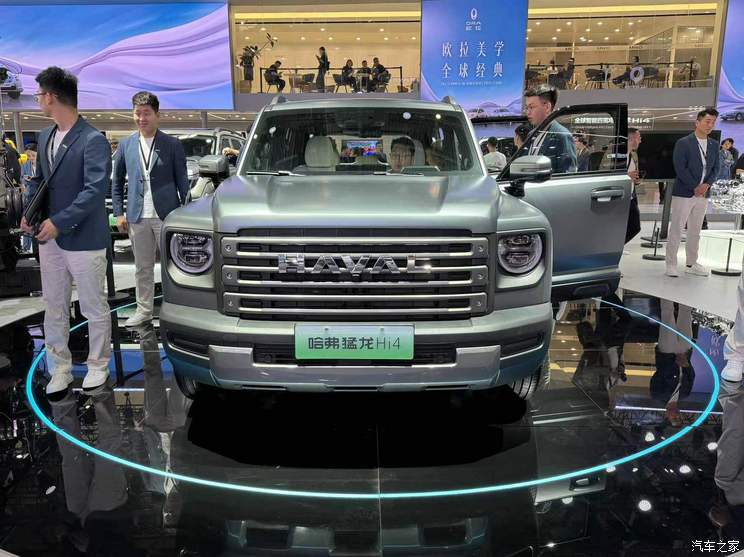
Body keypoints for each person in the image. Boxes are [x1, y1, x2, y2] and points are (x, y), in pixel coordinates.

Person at [20, 66, 112, 396]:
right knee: (54, 304)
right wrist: (29, 213)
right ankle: (59, 367)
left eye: (39, 95)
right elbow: (40, 181)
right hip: (49, 237)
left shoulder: (92, 139)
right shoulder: (46, 136)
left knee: (92, 305)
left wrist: (59, 221)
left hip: (83, 237)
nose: (37, 101)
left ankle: (98, 364)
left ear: (52, 97)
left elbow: (94, 191)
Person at [112, 91, 189, 327]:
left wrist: (185, 215)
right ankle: (144, 310)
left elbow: (183, 183)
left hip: (167, 216)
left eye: (146, 113)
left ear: (157, 115)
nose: (141, 118)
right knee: (142, 268)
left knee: (174, 266)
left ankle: (176, 309)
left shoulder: (172, 144)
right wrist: (119, 212)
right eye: (137, 113)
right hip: (137, 216)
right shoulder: (126, 144)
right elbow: (117, 182)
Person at [665, 107, 720, 278]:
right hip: (685, 192)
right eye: (707, 121)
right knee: (677, 228)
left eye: (713, 122)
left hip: (703, 194)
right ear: (697, 122)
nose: (710, 125)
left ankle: (691, 263)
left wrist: (706, 185)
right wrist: (695, 186)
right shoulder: (684, 142)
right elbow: (680, 168)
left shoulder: (714, 144)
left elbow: (716, 168)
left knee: (695, 230)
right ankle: (671, 264)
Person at [523, 85, 576, 173]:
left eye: (531, 107)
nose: (527, 112)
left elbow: (568, 175)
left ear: (547, 107)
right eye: (526, 107)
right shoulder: (531, 134)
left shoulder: (562, 136)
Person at [19, 143, 37, 252]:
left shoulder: (43, 165)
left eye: (33, 155)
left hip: (40, 197)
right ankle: (25, 247)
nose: (31, 158)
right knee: (27, 221)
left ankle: (37, 249)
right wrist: (24, 190)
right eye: (28, 156)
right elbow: (22, 180)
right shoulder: (25, 165)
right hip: (29, 197)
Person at [625, 128, 642, 243]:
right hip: (619, 197)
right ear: (631, 139)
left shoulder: (634, 155)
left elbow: (634, 173)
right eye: (639, 138)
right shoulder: (615, 154)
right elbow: (606, 174)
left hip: (631, 196)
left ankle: (618, 246)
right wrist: (627, 176)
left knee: (635, 227)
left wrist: (636, 179)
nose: (640, 141)